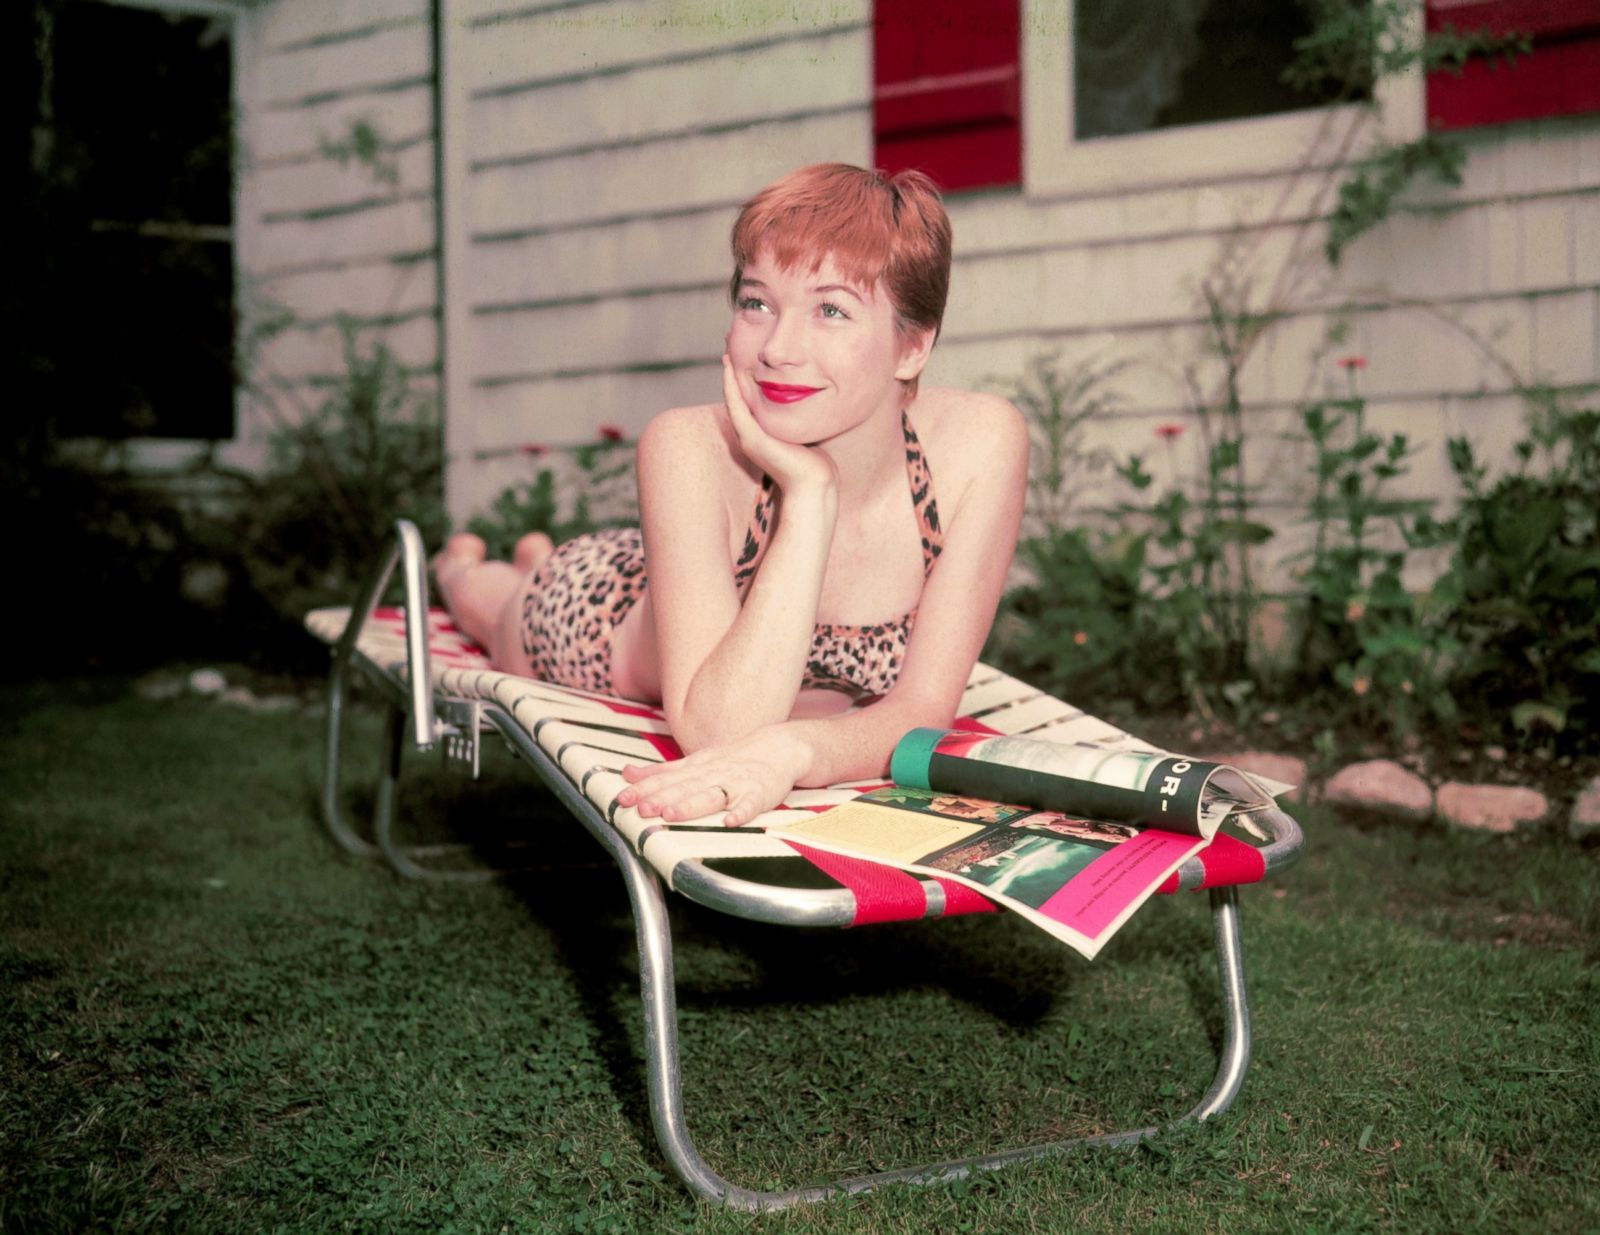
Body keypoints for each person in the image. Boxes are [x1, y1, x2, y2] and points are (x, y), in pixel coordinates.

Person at [433, 163, 1028, 827]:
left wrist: (795, 750)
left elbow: (923, 709)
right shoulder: (687, 445)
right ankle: (463, 567)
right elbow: (719, 734)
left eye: (831, 310)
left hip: (681, 571)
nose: (778, 348)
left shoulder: (980, 443)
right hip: (596, 608)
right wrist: (808, 497)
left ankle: (517, 553)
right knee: (490, 608)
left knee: (534, 569)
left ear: (912, 347)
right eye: (757, 303)